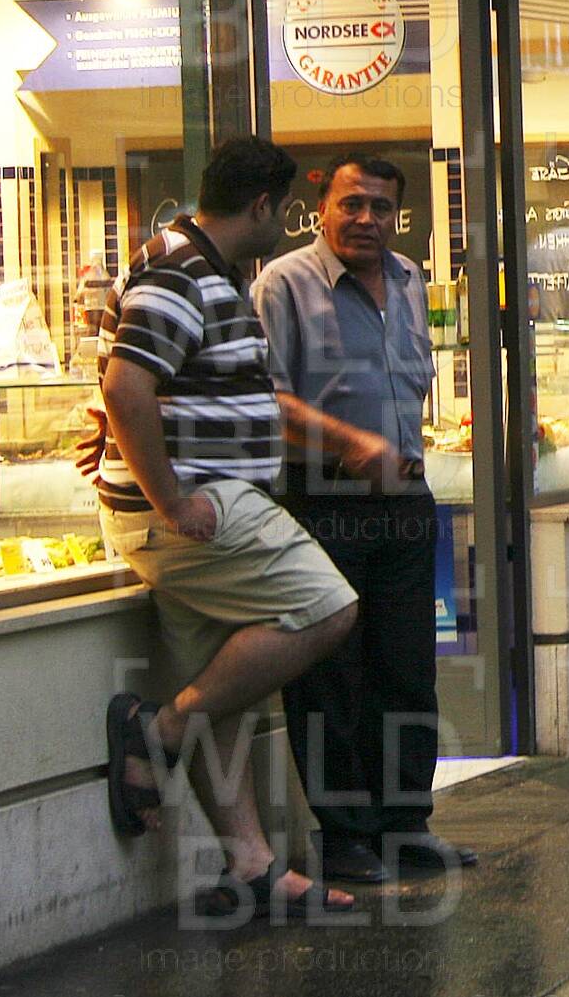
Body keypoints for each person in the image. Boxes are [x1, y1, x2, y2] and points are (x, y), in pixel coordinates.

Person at [93, 137, 366, 921]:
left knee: (223, 690)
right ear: (262, 205)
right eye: (284, 210)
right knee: (328, 607)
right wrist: (171, 498)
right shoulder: (178, 269)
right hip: (199, 509)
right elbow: (125, 387)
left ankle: (250, 864)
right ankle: (159, 728)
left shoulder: (206, 268)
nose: (284, 224)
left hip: (208, 506)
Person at [253, 154, 475, 884]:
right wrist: (350, 444)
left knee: (407, 670)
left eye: (380, 207)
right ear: (322, 207)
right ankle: (345, 835)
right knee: (332, 679)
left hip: (407, 502)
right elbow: (265, 399)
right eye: (351, 204)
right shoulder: (283, 284)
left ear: (396, 216)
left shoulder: (410, 279)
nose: (365, 219)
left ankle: (405, 825)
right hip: (324, 503)